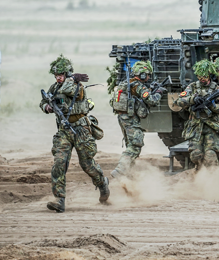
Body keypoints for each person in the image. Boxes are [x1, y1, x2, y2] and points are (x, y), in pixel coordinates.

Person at [40, 54, 109, 212]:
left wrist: (72, 79)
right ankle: (59, 199)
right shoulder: (55, 87)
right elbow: (43, 101)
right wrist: (47, 107)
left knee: (87, 164)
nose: (58, 78)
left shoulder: (76, 86)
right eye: (56, 75)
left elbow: (70, 91)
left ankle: (102, 183)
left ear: (68, 73)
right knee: (59, 163)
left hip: (81, 129)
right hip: (64, 131)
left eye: (61, 75)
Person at [110, 60, 164, 178]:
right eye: (147, 74)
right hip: (130, 119)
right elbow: (152, 100)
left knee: (130, 144)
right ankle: (120, 170)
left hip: (123, 117)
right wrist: (159, 92)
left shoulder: (126, 83)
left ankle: (129, 175)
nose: (149, 77)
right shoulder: (138, 85)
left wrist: (149, 89)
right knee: (135, 145)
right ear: (143, 75)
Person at [174, 59, 219, 169]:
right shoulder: (192, 87)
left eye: (203, 76)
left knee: (210, 156)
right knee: (195, 155)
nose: (201, 79)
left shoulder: (216, 89)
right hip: (195, 126)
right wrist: (193, 99)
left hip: (211, 126)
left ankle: (212, 177)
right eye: (199, 76)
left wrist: (212, 106)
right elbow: (178, 101)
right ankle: (199, 173)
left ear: (209, 74)